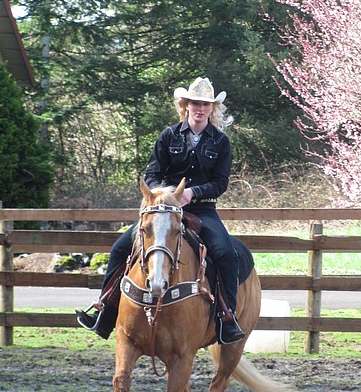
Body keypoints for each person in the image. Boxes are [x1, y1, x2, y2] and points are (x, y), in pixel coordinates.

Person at [76, 77, 245, 345]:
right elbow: (152, 174)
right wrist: (163, 195)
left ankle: (227, 317)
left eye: (205, 104)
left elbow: (220, 183)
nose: (199, 108)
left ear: (212, 108)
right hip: (163, 209)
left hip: (202, 210)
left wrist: (192, 193)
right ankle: (104, 309)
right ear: (186, 105)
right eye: (195, 103)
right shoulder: (168, 135)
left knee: (226, 253)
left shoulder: (221, 142)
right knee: (121, 247)